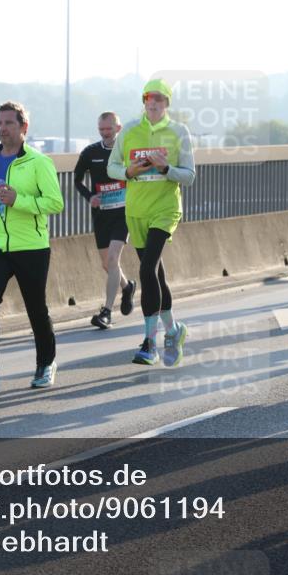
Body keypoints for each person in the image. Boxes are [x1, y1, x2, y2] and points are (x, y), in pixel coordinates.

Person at [0, 101, 64, 394]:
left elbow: (55, 203)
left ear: (24, 127)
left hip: (31, 246)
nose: (3, 128)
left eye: (9, 123)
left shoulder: (39, 162)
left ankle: (46, 364)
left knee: (36, 308)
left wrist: (18, 200)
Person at [107, 79, 196, 366]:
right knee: (155, 273)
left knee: (146, 269)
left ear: (167, 103)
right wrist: (129, 171)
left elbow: (189, 176)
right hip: (136, 211)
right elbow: (112, 167)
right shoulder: (130, 130)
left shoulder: (179, 132)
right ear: (144, 101)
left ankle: (149, 343)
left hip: (165, 209)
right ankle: (174, 330)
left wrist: (166, 168)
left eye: (159, 98)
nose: (153, 102)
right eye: (149, 97)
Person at [74, 112, 137, 329]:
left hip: (124, 214)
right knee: (107, 264)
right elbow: (77, 180)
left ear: (118, 128)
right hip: (101, 215)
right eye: (101, 129)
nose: (104, 133)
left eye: (108, 129)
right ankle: (127, 287)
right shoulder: (90, 152)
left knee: (112, 259)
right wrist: (89, 197)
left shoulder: (128, 151)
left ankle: (107, 312)